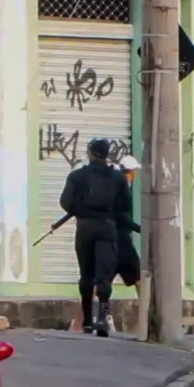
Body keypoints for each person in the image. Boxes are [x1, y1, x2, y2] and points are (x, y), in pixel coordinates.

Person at [60, 138, 132, 337]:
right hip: (107, 228)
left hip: (84, 227)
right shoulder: (118, 178)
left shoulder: (76, 176)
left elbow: (65, 202)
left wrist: (80, 211)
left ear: (90, 152)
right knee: (104, 275)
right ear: (108, 153)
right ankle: (102, 318)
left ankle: (87, 322)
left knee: (86, 274)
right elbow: (126, 205)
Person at [113, 155, 142, 295]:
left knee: (99, 281)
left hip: (110, 240)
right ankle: (147, 312)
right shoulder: (122, 189)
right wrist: (140, 229)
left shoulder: (116, 186)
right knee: (139, 277)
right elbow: (121, 217)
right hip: (122, 241)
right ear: (132, 172)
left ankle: (81, 317)